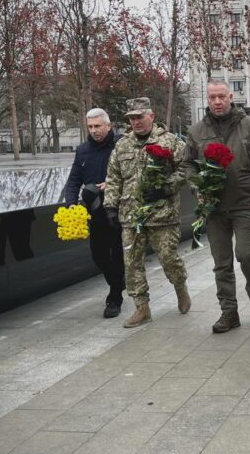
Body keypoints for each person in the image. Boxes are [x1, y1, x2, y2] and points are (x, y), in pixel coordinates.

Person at [185, 80, 250, 333]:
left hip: (244, 203)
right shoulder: (197, 131)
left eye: (222, 96)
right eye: (212, 98)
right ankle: (229, 312)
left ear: (231, 96)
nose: (217, 102)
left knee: (246, 255)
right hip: (213, 208)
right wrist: (196, 186)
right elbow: (188, 164)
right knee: (222, 263)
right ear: (207, 100)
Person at [104, 97, 190, 328]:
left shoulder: (170, 142)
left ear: (151, 116)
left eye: (140, 117)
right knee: (131, 263)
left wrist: (166, 187)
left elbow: (186, 168)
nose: (136, 122)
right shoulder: (122, 145)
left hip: (162, 214)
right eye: (132, 118)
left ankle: (180, 287)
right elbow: (113, 178)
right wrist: (110, 206)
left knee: (169, 259)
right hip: (131, 216)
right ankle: (142, 308)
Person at [64, 107, 126, 318]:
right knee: (98, 256)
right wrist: (71, 203)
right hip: (94, 212)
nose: (94, 130)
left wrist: (113, 184)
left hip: (119, 210)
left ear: (108, 126)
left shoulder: (122, 145)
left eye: (98, 126)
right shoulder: (83, 150)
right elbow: (73, 181)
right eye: (90, 127)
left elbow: (135, 175)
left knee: (118, 256)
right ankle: (118, 283)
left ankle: (114, 297)